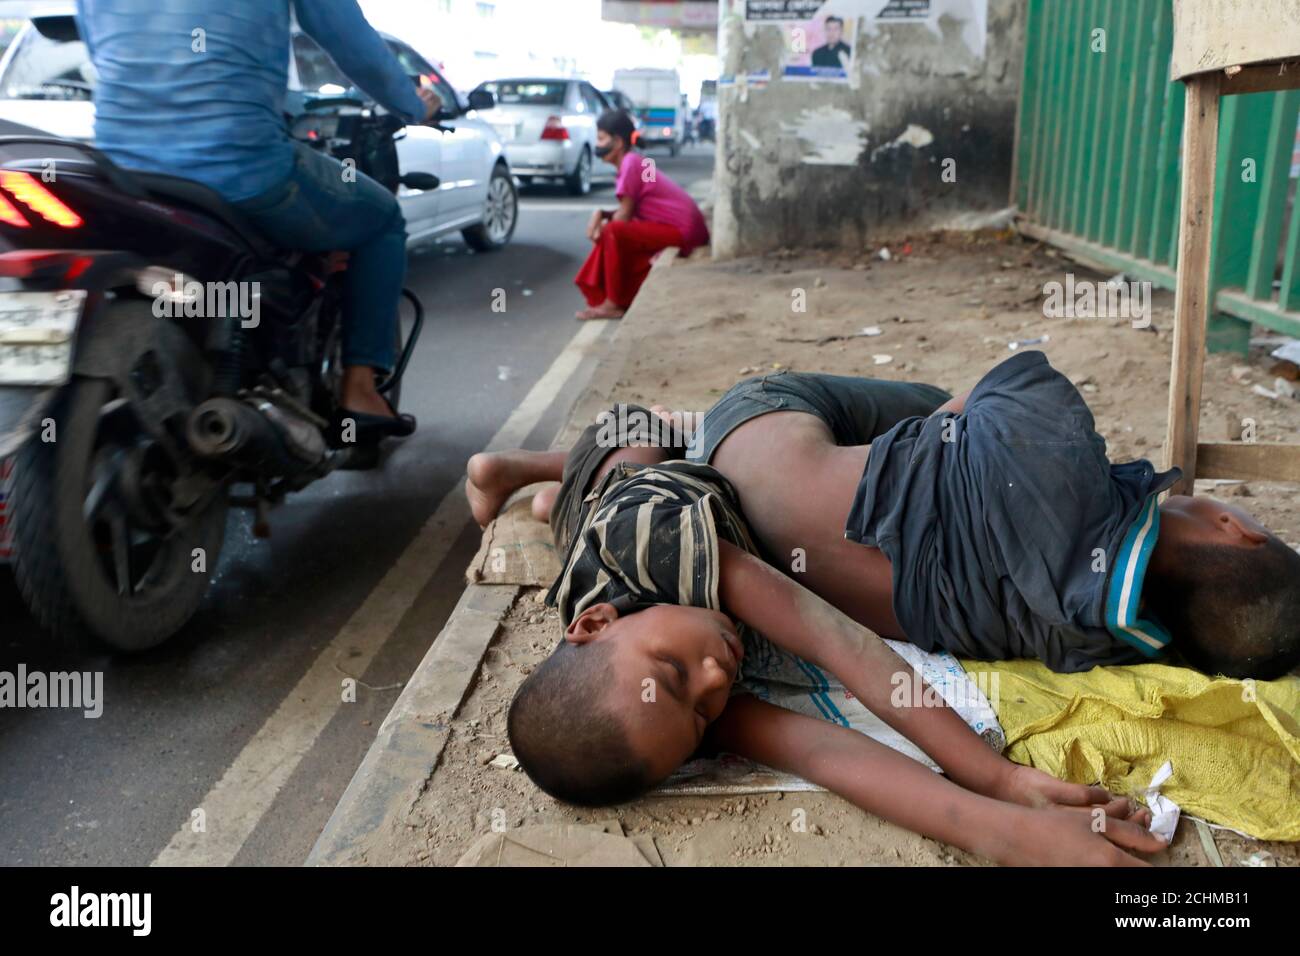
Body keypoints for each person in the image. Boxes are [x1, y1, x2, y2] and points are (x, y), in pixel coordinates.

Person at [465, 382, 1170, 866]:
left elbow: (837, 641)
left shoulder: (653, 540)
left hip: (669, 469)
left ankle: (528, 468)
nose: (718, 676)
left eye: (673, 672)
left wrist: (994, 776)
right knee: (581, 502)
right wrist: (1011, 831)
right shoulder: (666, 707)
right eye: (704, 707)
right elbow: (822, 754)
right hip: (597, 525)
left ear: (594, 624)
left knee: (638, 441)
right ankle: (549, 496)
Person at [75, 0, 442, 442]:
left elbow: (104, 48)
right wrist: (412, 104)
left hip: (122, 171)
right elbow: (348, 37)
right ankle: (359, 388)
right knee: (382, 219)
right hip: (238, 167)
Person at [574, 109, 710, 321]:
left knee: (613, 232)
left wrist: (601, 223)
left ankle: (613, 303)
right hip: (689, 227)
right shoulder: (639, 160)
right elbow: (641, 202)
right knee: (617, 232)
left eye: (601, 139)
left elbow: (624, 217)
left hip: (683, 231)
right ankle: (618, 298)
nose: (598, 146)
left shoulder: (629, 163)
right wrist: (601, 213)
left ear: (618, 142)